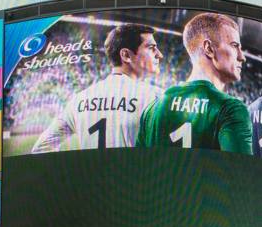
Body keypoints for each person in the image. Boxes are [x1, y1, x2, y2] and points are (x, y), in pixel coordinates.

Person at [31, 23, 164, 153]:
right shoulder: (155, 97)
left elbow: (41, 148)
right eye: (151, 47)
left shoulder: (80, 99)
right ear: (126, 55)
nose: (159, 54)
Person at [138, 12, 252, 154]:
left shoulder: (152, 108)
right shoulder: (230, 109)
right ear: (209, 49)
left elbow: (139, 170)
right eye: (235, 46)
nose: (242, 57)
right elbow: (241, 174)